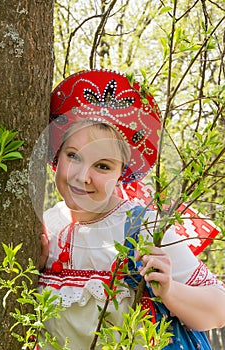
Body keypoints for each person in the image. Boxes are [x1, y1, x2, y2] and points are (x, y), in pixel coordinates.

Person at [38, 69, 225, 349]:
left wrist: (171, 293)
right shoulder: (48, 226)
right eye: (74, 156)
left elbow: (219, 309)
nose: (82, 176)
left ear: (121, 173)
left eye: (102, 166)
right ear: (57, 155)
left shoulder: (141, 227)